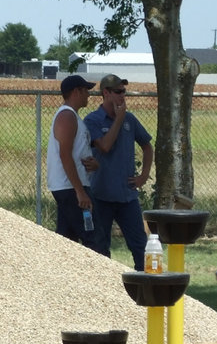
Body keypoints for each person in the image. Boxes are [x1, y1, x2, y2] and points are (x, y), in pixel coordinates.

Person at [84, 73, 154, 269]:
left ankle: (146, 289)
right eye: (118, 92)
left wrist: (143, 175)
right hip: (101, 195)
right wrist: (118, 119)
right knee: (101, 247)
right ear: (106, 93)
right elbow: (104, 146)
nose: (123, 96)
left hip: (127, 197)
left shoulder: (129, 120)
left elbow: (147, 146)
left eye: (124, 92)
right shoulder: (93, 120)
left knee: (140, 246)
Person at [46, 74, 98, 245]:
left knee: (67, 241)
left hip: (72, 187)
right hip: (70, 188)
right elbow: (65, 155)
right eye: (85, 91)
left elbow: (75, 153)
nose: (88, 95)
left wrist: (91, 164)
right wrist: (80, 192)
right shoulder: (66, 116)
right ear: (76, 91)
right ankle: (100, 271)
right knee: (94, 239)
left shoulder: (73, 117)